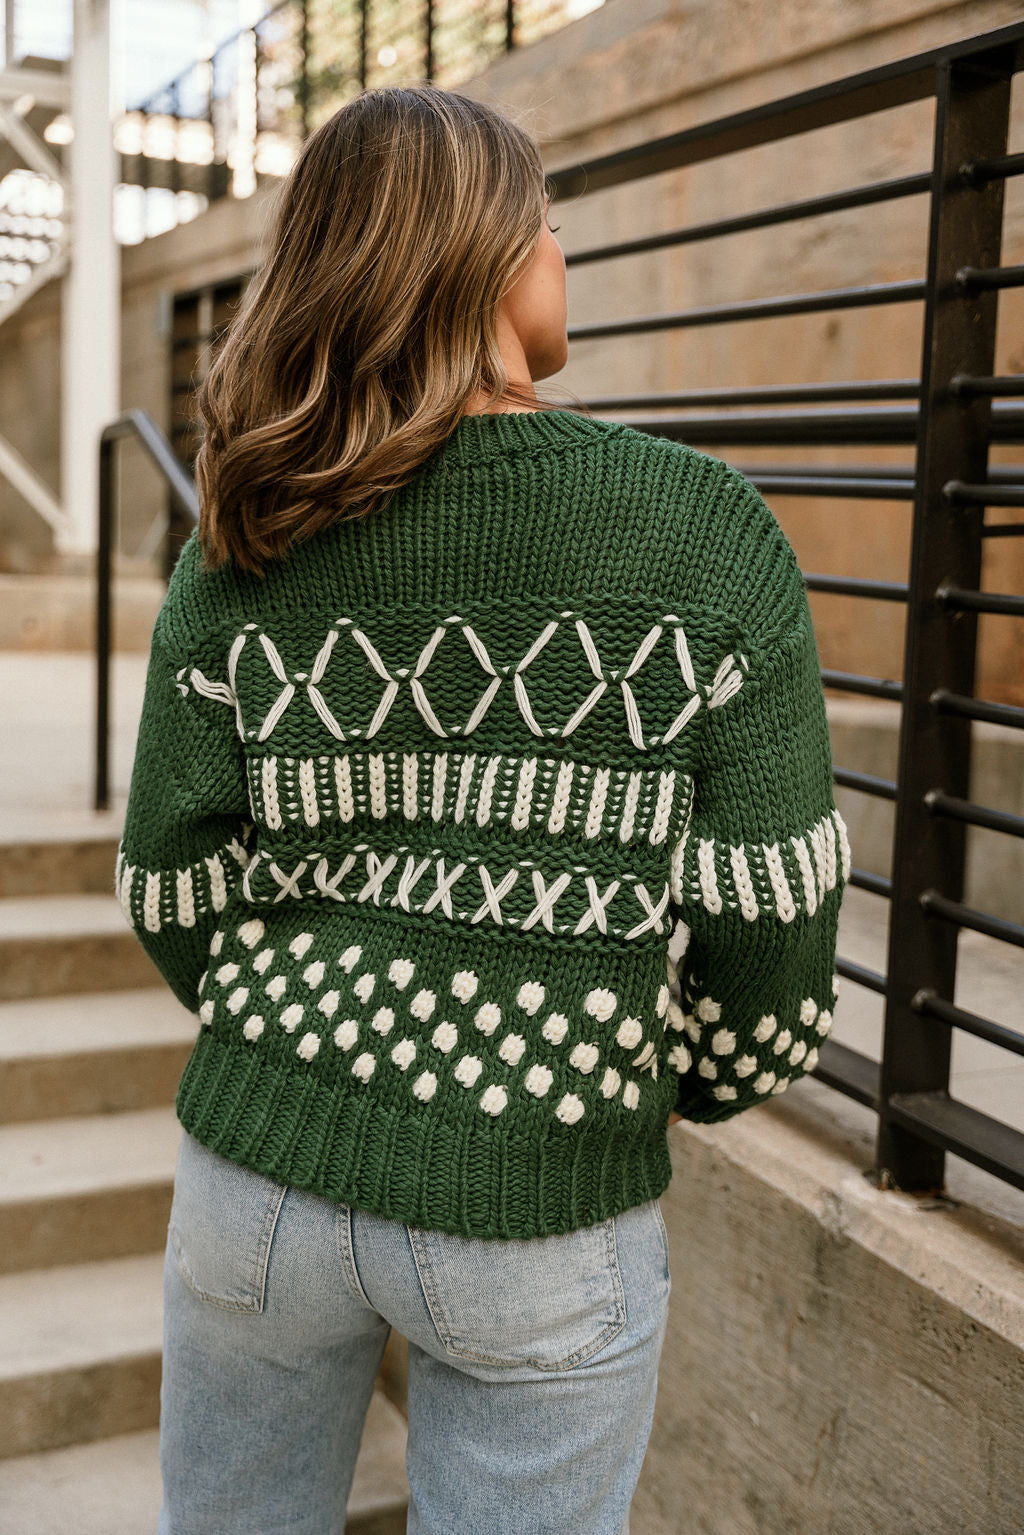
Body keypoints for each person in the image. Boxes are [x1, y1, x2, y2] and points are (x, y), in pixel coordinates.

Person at [116, 83, 848, 1535]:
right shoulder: (704, 534)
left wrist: (303, 1015)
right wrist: (616, 1069)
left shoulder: (248, 534)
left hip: (255, 1181)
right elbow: (775, 931)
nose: (561, 252)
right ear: (493, 264)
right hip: (542, 1199)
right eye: (549, 227)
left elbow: (171, 883)